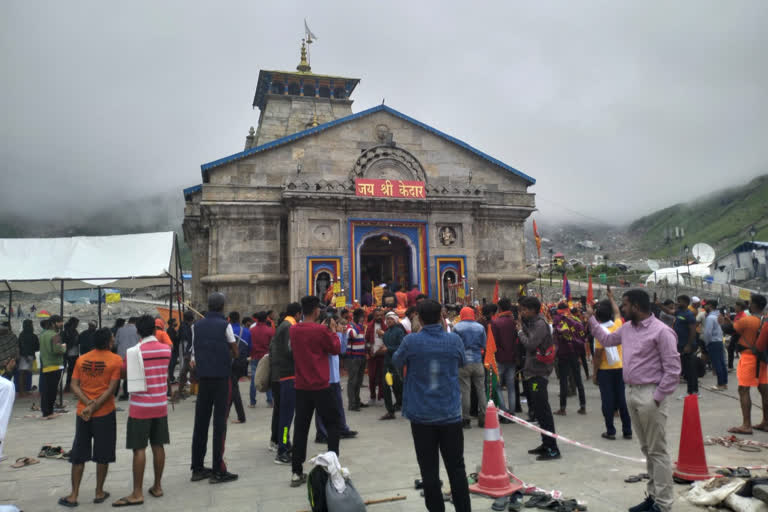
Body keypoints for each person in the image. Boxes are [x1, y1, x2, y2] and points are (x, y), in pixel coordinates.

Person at [586, 289, 680, 512]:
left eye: (625, 305)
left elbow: (673, 370)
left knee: (657, 451)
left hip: (651, 394)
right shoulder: (627, 329)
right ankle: (653, 497)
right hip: (633, 393)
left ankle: (664, 504)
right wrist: (590, 318)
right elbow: (607, 339)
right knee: (647, 449)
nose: (622, 309)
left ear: (636, 306)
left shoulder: (662, 332)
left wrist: (656, 398)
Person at [392, 299, 470, 512]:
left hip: (422, 414)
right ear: (441, 316)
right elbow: (462, 362)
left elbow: (396, 361)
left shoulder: (411, 342)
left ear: (418, 317)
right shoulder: (454, 340)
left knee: (429, 470)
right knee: (457, 468)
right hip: (450, 412)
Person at [112, 315, 172, 507]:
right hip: (160, 405)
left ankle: (137, 492)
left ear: (138, 331)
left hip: (140, 407)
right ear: (156, 330)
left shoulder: (133, 352)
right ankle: (158, 486)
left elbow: (123, 373)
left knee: (139, 449)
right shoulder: (166, 350)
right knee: (158, 445)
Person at [58, 327, 122, 508]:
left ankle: (73, 495)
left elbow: (74, 385)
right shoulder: (116, 360)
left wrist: (87, 404)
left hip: (82, 413)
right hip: (105, 412)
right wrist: (94, 405)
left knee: (79, 453)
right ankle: (99, 492)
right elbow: (111, 389)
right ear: (109, 341)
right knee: (103, 454)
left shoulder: (81, 359)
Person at [289, 296, 342, 487]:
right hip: (321, 385)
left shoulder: (294, 329)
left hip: (302, 386)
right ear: (316, 311)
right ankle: (333, 465)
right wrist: (333, 332)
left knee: (301, 428)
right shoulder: (321, 330)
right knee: (333, 423)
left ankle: (296, 471)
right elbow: (335, 348)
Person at [189, 293, 239, 484]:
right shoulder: (224, 325)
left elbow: (193, 352)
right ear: (222, 306)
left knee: (200, 423)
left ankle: (197, 468)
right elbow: (234, 350)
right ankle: (219, 469)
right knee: (220, 424)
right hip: (220, 378)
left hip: (204, 378)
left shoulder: (196, 326)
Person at [519, 296, 561, 461]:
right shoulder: (532, 323)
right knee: (538, 410)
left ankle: (552, 448)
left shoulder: (540, 324)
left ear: (532, 310)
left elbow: (530, 344)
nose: (521, 312)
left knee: (543, 410)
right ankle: (545, 442)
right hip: (532, 370)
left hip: (538, 373)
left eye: (524, 309)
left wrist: (520, 332)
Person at [721, 294, 768, 434]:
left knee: (743, 390)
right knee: (765, 391)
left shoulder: (747, 320)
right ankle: (766, 422)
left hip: (749, 357)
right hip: (764, 359)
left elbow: (729, 329)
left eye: (750, 302)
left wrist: (724, 322)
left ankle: (746, 425)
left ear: (753, 305)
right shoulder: (766, 320)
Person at [591, 298, 632, 440]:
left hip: (605, 370)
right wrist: (611, 297)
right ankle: (627, 430)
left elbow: (597, 355)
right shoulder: (618, 325)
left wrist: (594, 374)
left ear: (597, 317)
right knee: (621, 400)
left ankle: (610, 431)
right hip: (620, 367)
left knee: (607, 401)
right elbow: (617, 312)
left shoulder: (599, 332)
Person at [315, 314, 357, 440]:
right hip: (326, 378)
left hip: (335, 377)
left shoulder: (335, 335)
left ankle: (342, 428)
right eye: (335, 324)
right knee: (322, 407)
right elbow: (333, 349)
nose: (339, 326)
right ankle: (322, 433)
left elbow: (342, 350)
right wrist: (333, 333)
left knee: (338, 405)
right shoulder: (324, 336)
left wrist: (343, 335)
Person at [269, 302, 301, 465]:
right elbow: (291, 350)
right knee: (287, 416)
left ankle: (284, 443)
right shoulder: (289, 326)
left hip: (284, 374)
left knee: (285, 415)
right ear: (297, 314)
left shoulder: (284, 325)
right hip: (288, 375)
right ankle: (282, 449)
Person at [453, 306, 486, 429]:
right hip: (478, 362)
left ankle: (466, 419)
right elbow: (484, 344)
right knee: (481, 391)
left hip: (463, 363)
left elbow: (455, 345)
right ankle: (483, 419)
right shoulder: (480, 327)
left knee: (465, 391)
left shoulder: (457, 327)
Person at [492, 298, 521, 415]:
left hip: (499, 357)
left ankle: (504, 411)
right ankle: (512, 412)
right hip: (512, 357)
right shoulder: (515, 322)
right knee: (511, 387)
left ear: (499, 308)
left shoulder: (496, 322)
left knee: (497, 386)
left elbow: (493, 342)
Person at [670, 295, 698, 397]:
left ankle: (693, 391)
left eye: (679, 301)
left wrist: (688, 345)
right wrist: (659, 305)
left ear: (686, 303)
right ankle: (691, 391)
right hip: (680, 345)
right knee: (686, 369)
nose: (677, 303)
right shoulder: (679, 312)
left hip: (687, 346)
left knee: (690, 369)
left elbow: (693, 331)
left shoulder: (689, 314)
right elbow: (669, 312)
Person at [380, 311, 406, 420]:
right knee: (386, 386)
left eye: (390, 319)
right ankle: (390, 411)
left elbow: (402, 347)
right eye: (387, 319)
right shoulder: (386, 333)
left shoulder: (399, 332)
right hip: (387, 363)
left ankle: (401, 404)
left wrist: (388, 349)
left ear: (395, 320)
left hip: (396, 363)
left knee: (398, 386)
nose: (388, 321)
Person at [39, 315, 66, 419]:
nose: (61, 324)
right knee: (52, 391)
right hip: (55, 366)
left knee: (46, 390)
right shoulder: (55, 336)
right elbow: (57, 350)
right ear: (54, 323)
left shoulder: (43, 335)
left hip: (46, 365)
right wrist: (63, 348)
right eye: (60, 322)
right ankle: (49, 412)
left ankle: (45, 411)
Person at [227, 312, 250, 424]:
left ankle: (241, 417)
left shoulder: (227, 330)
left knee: (234, 389)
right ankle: (226, 413)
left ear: (229, 319)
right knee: (233, 385)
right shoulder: (246, 331)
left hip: (231, 363)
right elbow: (250, 347)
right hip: (242, 363)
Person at [248, 311, 274, 408]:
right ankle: (270, 400)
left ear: (257, 319)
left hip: (254, 356)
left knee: (254, 379)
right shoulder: (270, 330)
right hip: (266, 357)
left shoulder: (251, 330)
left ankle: (252, 402)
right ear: (266, 318)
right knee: (267, 377)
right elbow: (273, 345)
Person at [344, 309, 367, 412]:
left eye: (363, 317)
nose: (362, 319)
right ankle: (352, 404)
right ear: (356, 317)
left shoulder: (360, 327)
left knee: (359, 381)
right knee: (352, 381)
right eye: (361, 317)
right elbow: (353, 334)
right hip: (353, 357)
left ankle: (357, 401)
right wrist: (359, 326)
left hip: (361, 356)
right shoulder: (349, 326)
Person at [702, 300, 727, 390]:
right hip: (719, 341)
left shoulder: (710, 318)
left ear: (710, 306)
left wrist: (707, 342)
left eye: (706, 305)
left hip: (713, 342)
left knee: (717, 364)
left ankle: (720, 384)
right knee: (722, 363)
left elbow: (708, 333)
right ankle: (724, 383)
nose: (704, 307)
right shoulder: (718, 315)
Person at [115, 318, 140, 400]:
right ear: (135, 322)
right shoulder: (138, 330)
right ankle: (127, 393)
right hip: (133, 354)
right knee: (130, 375)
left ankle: (115, 393)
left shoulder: (120, 330)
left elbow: (115, 343)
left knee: (119, 374)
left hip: (121, 355)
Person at [366, 308, 387, 405]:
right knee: (372, 377)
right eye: (377, 315)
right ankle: (372, 397)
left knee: (382, 377)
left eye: (381, 315)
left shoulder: (386, 325)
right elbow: (367, 341)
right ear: (373, 316)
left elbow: (389, 338)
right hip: (372, 355)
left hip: (383, 355)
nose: (379, 317)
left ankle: (381, 396)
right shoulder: (369, 326)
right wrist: (369, 351)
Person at [17, 319, 38, 397]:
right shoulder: (33, 335)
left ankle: (22, 391)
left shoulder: (21, 335)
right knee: (24, 374)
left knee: (22, 374)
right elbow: (37, 347)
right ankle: (23, 391)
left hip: (23, 356)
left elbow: (19, 346)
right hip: (29, 356)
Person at [176, 311, 195, 398]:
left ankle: (191, 390)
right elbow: (187, 339)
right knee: (185, 371)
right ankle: (180, 391)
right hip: (189, 351)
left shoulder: (193, 326)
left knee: (189, 372)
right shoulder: (186, 326)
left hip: (191, 352)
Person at [728, 300, 749, 370]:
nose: (734, 307)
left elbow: (738, 326)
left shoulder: (743, 316)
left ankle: (745, 366)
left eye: (736, 306)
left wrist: (729, 322)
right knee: (731, 349)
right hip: (735, 335)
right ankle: (730, 366)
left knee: (741, 351)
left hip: (739, 336)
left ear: (739, 307)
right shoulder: (738, 315)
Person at [62, 317, 80, 392]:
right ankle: (68, 385)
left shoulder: (71, 331)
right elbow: (69, 341)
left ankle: (69, 385)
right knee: (71, 370)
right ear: (73, 323)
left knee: (71, 369)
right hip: (71, 352)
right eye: (76, 323)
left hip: (73, 352)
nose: (77, 325)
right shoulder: (69, 331)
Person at [166, 318, 179, 382]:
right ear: (172, 323)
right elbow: (173, 339)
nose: (176, 323)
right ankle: (171, 377)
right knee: (172, 364)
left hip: (174, 349)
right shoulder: (171, 330)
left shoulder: (172, 330)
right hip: (173, 350)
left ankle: (171, 376)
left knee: (172, 364)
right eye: (175, 322)